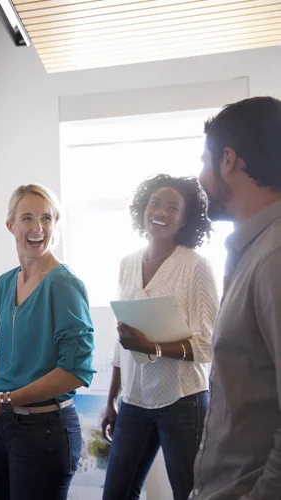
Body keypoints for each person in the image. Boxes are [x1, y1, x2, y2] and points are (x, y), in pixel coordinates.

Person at [0, 184, 95, 500]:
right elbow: (8, 353)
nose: (37, 228)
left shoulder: (64, 285)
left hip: (45, 430)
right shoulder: (5, 282)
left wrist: (4, 400)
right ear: (10, 225)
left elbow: (76, 371)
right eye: (27, 218)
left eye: (46, 218)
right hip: (4, 423)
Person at [100, 174, 219, 500]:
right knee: (116, 493)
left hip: (182, 401)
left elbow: (208, 344)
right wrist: (112, 399)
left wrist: (151, 347)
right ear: (143, 208)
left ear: (185, 219)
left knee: (189, 493)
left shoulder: (196, 266)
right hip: (133, 401)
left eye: (172, 207)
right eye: (154, 202)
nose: (161, 212)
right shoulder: (127, 264)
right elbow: (120, 340)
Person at [192, 96, 281, 499]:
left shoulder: (274, 258)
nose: (201, 176)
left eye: (204, 162)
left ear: (229, 160)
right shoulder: (253, 249)